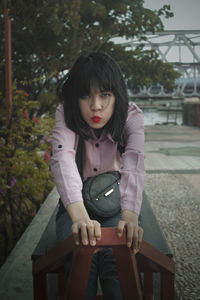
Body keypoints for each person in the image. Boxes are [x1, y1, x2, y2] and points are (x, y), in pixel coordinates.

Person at [50, 52, 146, 299]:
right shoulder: (66, 113)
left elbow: (134, 162)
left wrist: (130, 216)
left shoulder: (131, 117)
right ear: (75, 97)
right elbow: (62, 158)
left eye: (105, 94)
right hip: (75, 204)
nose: (96, 106)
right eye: (86, 95)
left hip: (116, 204)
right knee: (81, 259)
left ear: (117, 95)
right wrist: (80, 218)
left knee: (118, 262)